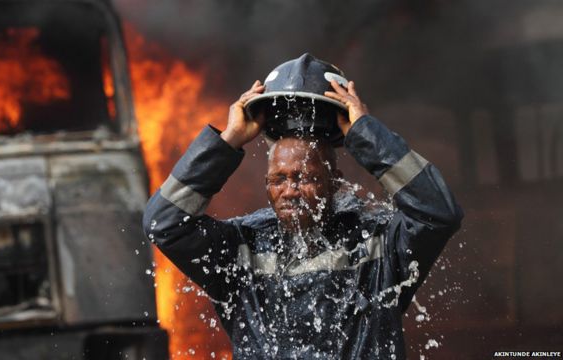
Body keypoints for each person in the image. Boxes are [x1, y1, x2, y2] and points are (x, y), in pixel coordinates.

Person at [143, 55, 463, 359]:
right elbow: (164, 224)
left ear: (334, 182)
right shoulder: (241, 249)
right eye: (278, 179)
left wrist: (366, 133)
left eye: (305, 177)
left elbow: (437, 212)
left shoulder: (377, 245)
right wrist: (228, 141)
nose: (290, 191)